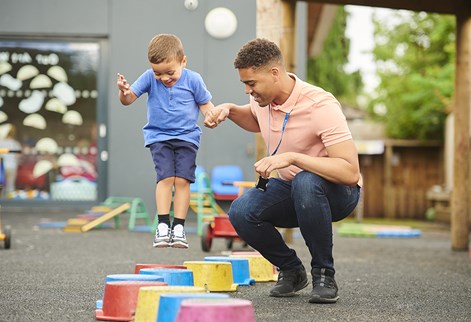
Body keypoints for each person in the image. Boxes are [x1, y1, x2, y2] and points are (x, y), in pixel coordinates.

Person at [204, 38, 362, 303]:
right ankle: (291, 270)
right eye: (244, 84)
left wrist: (292, 158)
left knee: (306, 181)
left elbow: (349, 172)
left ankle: (324, 274)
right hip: (295, 189)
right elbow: (254, 118)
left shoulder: (319, 105)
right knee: (241, 211)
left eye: (251, 83)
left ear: (274, 73)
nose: (247, 90)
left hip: (338, 192)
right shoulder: (262, 101)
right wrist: (229, 110)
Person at [117, 34, 215, 249]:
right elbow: (128, 99)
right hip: (159, 136)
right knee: (165, 178)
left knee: (182, 181)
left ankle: (178, 227)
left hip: (187, 137)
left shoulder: (194, 79)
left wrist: (211, 116)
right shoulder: (148, 77)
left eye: (170, 72)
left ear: (183, 62)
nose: (164, 78)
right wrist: (123, 92)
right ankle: (163, 225)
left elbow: (206, 104)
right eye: (158, 73)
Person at [0, 125, 22, 198]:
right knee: (11, 185)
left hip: (2, 166)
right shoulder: (15, 143)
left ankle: (2, 200)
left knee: (1, 184)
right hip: (12, 166)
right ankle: (10, 201)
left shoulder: (1, 142)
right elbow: (19, 155)